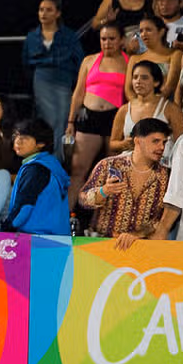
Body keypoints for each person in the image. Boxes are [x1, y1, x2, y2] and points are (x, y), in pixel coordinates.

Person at [66, 23, 129, 220]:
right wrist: (70, 121)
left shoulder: (130, 61)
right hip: (88, 117)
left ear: (120, 40)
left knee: (112, 174)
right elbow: (78, 93)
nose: (107, 43)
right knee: (78, 170)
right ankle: (66, 216)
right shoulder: (89, 60)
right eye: (103, 39)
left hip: (115, 118)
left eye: (112, 38)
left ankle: (102, 221)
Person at [79, 118, 171, 248]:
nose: (161, 147)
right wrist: (103, 191)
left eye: (164, 142)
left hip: (141, 248)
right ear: (137, 141)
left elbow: (162, 219)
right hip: (102, 245)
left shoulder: (165, 175)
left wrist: (136, 234)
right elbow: (82, 200)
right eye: (155, 141)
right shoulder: (109, 165)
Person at [22, 0, 82, 144]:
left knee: (62, 118)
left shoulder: (69, 35)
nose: (44, 13)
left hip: (63, 79)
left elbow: (79, 60)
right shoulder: (32, 37)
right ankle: (48, 154)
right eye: (41, 10)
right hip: (41, 78)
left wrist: (73, 82)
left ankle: (58, 158)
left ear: (57, 13)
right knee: (45, 118)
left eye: (49, 10)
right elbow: (25, 63)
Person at [2, 119, 70, 235]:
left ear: (41, 143)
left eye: (25, 138)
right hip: (56, 238)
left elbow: (24, 207)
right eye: (16, 136)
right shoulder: (50, 164)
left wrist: (6, 228)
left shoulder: (35, 169)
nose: (18, 141)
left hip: (36, 238)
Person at [110, 60, 183, 154]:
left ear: (156, 82)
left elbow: (182, 143)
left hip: (161, 163)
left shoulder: (170, 109)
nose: (138, 81)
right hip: (129, 162)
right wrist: (125, 144)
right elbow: (112, 144)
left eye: (144, 78)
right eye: (135, 77)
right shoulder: (124, 110)